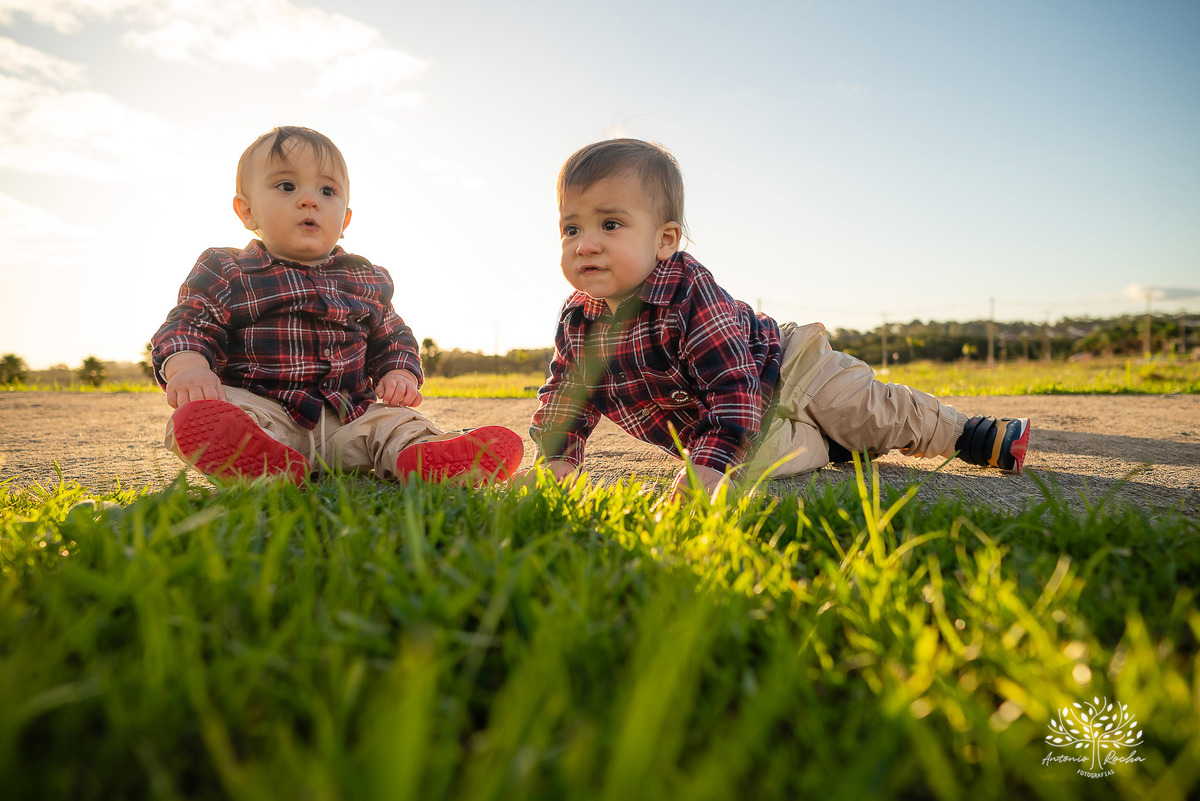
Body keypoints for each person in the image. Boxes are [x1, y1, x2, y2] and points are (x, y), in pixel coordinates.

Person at [523, 138, 1030, 497]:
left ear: (665, 240)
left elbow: (730, 383)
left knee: (867, 410)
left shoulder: (687, 292)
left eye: (610, 224)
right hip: (748, 429)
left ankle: (973, 436)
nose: (585, 244)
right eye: (570, 228)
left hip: (788, 371)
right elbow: (568, 394)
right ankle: (835, 447)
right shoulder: (578, 323)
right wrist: (559, 458)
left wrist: (705, 464)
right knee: (768, 464)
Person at [151, 125, 522, 484]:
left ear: (344, 220)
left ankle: (425, 454)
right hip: (265, 412)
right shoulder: (228, 269)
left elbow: (394, 338)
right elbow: (190, 324)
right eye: (286, 186)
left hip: (350, 419)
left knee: (394, 423)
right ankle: (259, 462)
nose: (310, 199)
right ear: (247, 212)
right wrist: (188, 368)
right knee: (212, 413)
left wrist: (400, 374)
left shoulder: (366, 278)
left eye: (327, 190)